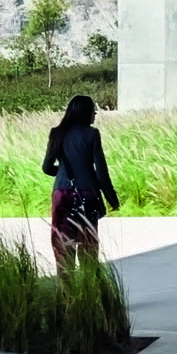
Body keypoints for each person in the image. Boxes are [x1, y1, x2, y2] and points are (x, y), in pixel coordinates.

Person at [41, 92, 118, 270]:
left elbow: (46, 167)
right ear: (84, 112)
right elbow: (101, 172)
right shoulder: (92, 134)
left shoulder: (56, 133)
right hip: (88, 194)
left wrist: (62, 174)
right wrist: (111, 197)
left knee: (63, 246)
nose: (95, 115)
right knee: (88, 245)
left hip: (62, 195)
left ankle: (67, 293)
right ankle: (89, 290)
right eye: (93, 111)